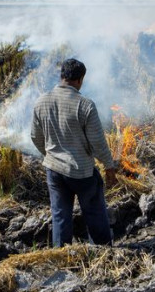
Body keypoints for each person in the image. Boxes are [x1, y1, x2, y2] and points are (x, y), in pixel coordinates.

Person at [31, 58, 118, 247]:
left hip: (54, 171)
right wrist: (109, 167)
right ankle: (103, 251)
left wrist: (50, 155)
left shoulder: (41, 102)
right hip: (81, 171)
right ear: (80, 80)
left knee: (60, 216)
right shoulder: (84, 105)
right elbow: (97, 143)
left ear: (62, 76)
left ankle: (61, 256)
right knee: (94, 212)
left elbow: (35, 137)